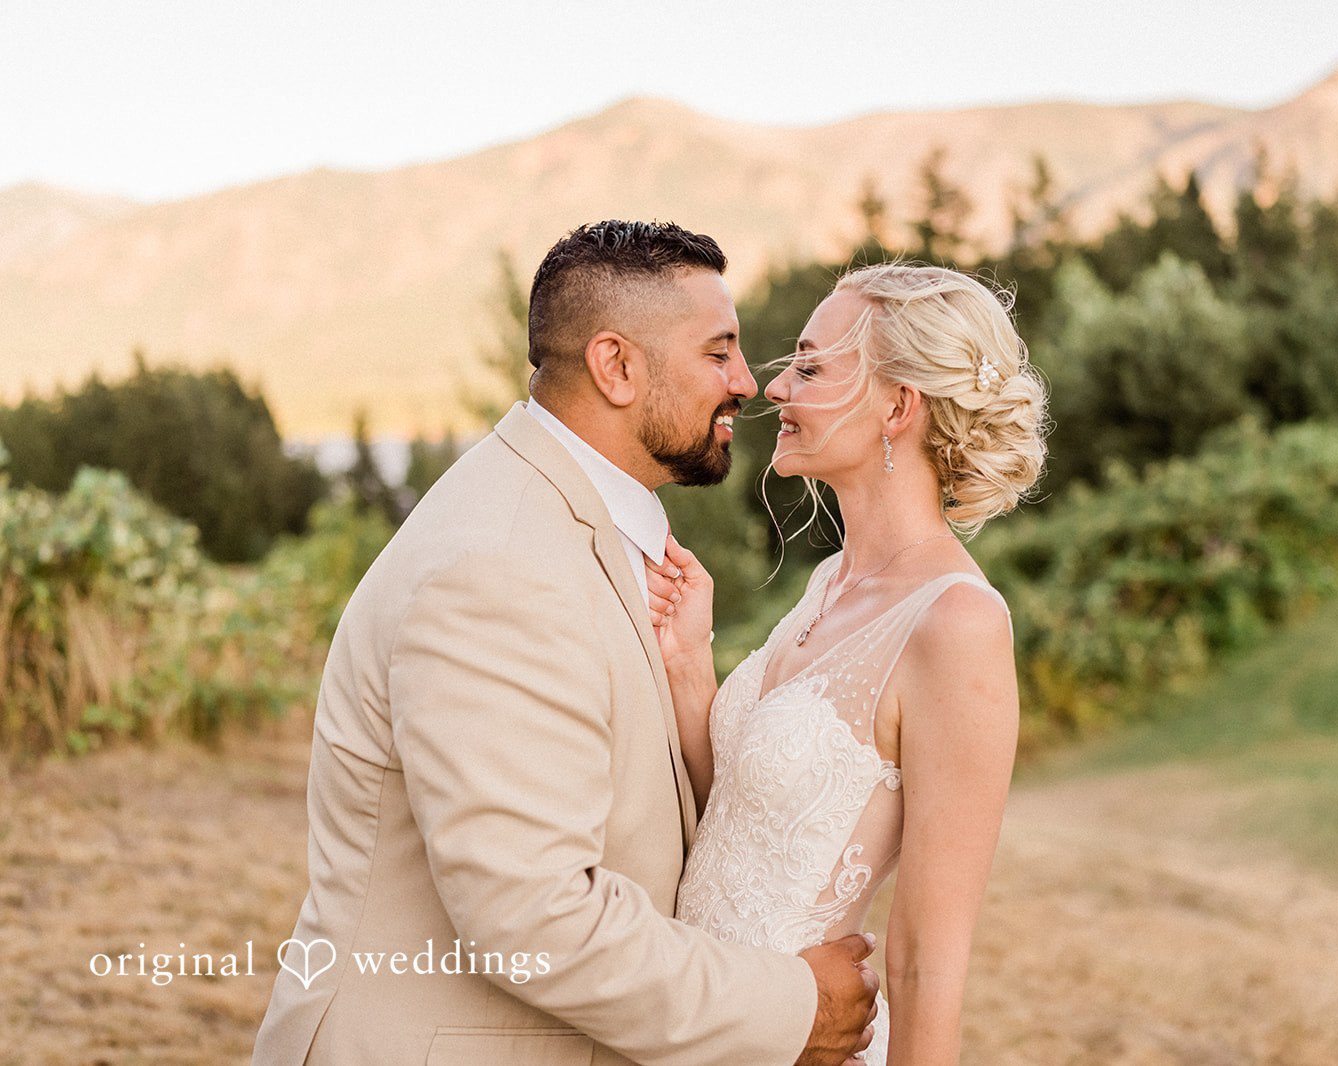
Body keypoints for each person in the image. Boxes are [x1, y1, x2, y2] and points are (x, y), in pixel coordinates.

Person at [252, 221, 877, 1065]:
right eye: (719, 351)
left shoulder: (562, 523)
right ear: (616, 366)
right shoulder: (503, 566)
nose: (747, 383)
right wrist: (789, 1009)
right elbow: (532, 916)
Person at [645, 262, 1048, 1066]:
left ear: (899, 405)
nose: (776, 390)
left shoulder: (957, 622)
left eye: (810, 366)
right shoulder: (830, 582)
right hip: (705, 1025)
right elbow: (732, 819)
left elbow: (928, 959)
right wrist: (691, 662)